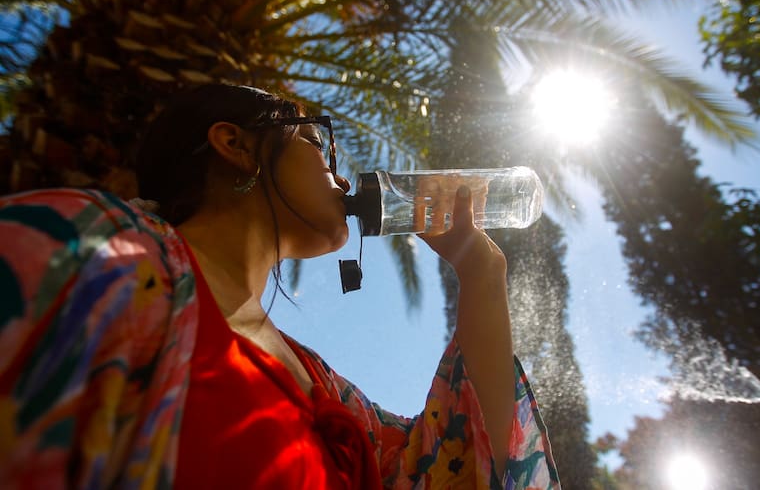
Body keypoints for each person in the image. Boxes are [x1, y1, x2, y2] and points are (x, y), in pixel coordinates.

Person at [0, 84, 559, 489]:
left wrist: (482, 274)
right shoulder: (91, 247)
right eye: (317, 141)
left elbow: (447, 466)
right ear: (234, 144)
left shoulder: (316, 380)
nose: (340, 176)